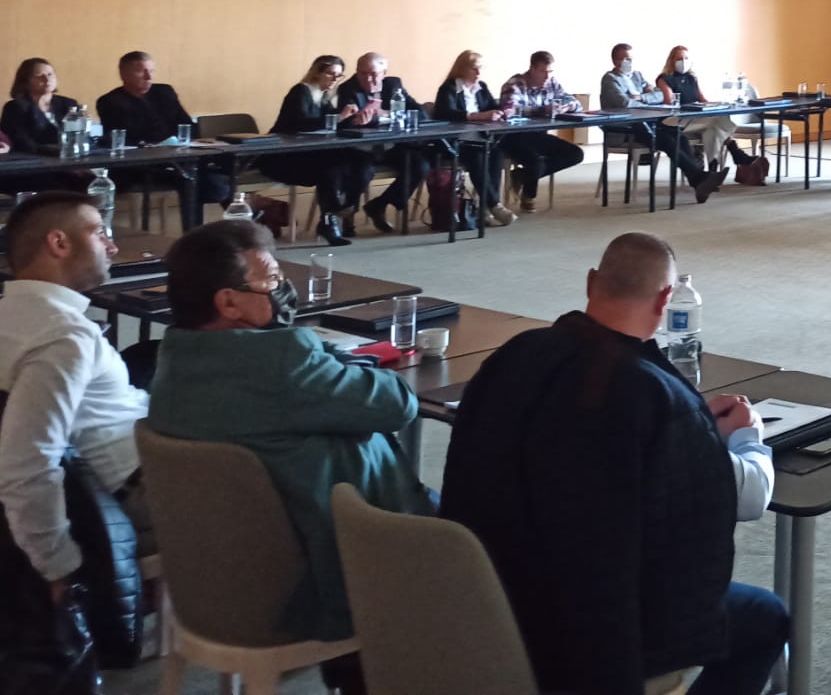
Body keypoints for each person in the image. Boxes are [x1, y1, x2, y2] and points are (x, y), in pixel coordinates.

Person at [441, 233, 788, 695]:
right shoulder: (656, 397)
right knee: (767, 617)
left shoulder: (514, 354)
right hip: (601, 639)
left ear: (591, 283)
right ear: (665, 300)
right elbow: (744, 497)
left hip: (488, 598)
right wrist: (745, 438)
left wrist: (700, 428)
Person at [147, 219, 432, 680]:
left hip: (219, 576)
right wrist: (319, 353)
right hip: (318, 573)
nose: (284, 291)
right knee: (474, 542)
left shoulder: (175, 357)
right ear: (229, 302)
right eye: (273, 281)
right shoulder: (283, 362)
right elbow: (397, 404)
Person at [0, 192, 153, 612]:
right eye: (100, 232)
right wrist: (58, 567)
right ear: (59, 243)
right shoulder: (63, 336)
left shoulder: (14, 316)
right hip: (135, 492)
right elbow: (28, 461)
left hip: (120, 463)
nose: (112, 246)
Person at [95, 51, 233, 229]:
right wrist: (157, 144)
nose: (149, 77)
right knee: (192, 178)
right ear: (123, 74)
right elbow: (122, 137)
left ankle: (233, 218)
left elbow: (187, 124)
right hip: (142, 164)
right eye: (141, 71)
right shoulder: (110, 101)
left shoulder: (164, 92)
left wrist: (184, 141)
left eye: (151, 71)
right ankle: (198, 230)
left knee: (217, 168)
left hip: (178, 155)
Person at [258, 55, 377, 247]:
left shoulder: (324, 96)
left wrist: (353, 119)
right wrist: (339, 117)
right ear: (316, 73)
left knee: (361, 160)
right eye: (331, 74)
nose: (335, 79)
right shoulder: (301, 92)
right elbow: (301, 124)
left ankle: (343, 209)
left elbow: (330, 125)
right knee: (330, 167)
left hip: (312, 154)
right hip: (283, 157)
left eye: (339, 76)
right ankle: (332, 215)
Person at [600, 44, 721, 203]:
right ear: (616, 61)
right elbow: (625, 103)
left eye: (631, 59)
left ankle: (698, 181)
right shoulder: (610, 79)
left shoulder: (637, 76)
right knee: (665, 140)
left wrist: (641, 97)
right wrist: (644, 99)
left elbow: (659, 95)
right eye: (626, 59)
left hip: (646, 122)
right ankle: (700, 178)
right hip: (625, 128)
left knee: (678, 136)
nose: (630, 62)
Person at [336, 52, 428, 235]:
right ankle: (348, 215)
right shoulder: (348, 88)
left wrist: (386, 114)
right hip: (361, 149)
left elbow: (420, 113)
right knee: (361, 173)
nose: (368, 79)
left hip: (390, 146)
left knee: (420, 166)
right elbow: (345, 122)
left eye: (374, 74)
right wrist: (357, 120)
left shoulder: (394, 85)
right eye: (363, 73)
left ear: (384, 73)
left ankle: (380, 204)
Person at [657, 46, 768, 188]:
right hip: (674, 121)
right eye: (679, 58)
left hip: (696, 120)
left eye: (686, 58)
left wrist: (718, 105)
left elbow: (702, 100)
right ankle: (736, 153)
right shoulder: (664, 79)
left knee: (713, 129)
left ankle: (712, 170)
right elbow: (669, 103)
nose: (683, 61)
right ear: (671, 61)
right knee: (717, 120)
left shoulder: (691, 78)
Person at [497, 51, 587, 214]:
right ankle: (528, 196)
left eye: (550, 72)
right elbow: (510, 110)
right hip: (513, 137)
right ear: (532, 69)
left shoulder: (551, 82)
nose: (547, 76)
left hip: (538, 134)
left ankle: (521, 176)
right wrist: (542, 110)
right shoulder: (514, 84)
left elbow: (573, 101)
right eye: (543, 71)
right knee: (536, 161)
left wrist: (566, 106)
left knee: (575, 154)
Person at [434, 49, 514, 226]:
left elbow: (492, 107)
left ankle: (486, 208)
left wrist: (503, 111)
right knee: (478, 157)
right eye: (474, 68)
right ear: (462, 69)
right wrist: (477, 116)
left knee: (496, 155)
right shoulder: (449, 88)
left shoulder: (481, 87)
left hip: (481, 139)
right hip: (457, 143)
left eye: (481, 68)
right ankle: (495, 205)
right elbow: (445, 113)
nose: (478, 73)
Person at [1, 59, 84, 157]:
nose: (47, 79)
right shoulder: (15, 107)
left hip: (72, 157)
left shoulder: (69, 104)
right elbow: (21, 142)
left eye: (50, 74)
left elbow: (81, 135)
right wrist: (52, 152)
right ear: (26, 81)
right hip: (36, 160)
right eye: (39, 75)